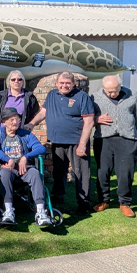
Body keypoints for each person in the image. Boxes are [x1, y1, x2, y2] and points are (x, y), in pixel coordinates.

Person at [26, 72, 94, 215]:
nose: (64, 85)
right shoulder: (52, 95)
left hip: (76, 142)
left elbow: (89, 122)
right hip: (57, 140)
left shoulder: (82, 97)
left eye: (67, 83)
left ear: (73, 83)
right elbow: (43, 112)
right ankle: (58, 196)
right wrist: (31, 124)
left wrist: (82, 144)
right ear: (56, 83)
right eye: (61, 83)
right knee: (59, 171)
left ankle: (84, 204)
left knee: (81, 173)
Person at [91, 75, 137, 218]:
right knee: (102, 171)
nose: (112, 94)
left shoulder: (132, 95)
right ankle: (104, 201)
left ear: (120, 87)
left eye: (114, 91)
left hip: (128, 139)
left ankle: (124, 203)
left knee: (125, 173)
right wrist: (96, 119)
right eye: (108, 91)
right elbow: (87, 118)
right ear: (103, 88)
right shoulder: (94, 97)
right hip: (103, 139)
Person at [0, 108, 51, 226]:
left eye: (17, 119)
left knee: (35, 174)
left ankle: (41, 212)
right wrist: (8, 159)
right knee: (4, 175)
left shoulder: (25, 134)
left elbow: (41, 148)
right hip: (7, 167)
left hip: (24, 167)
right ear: (4, 122)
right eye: (11, 120)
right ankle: (8, 211)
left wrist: (25, 157)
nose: (15, 122)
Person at [0, 70, 40, 135]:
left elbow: (37, 113)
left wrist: (31, 124)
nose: (16, 81)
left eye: (19, 79)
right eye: (13, 79)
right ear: (9, 82)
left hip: (20, 136)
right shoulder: (1, 96)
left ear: (23, 81)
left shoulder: (29, 97)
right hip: (1, 135)